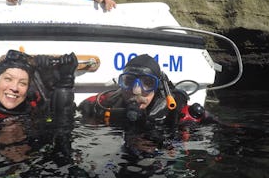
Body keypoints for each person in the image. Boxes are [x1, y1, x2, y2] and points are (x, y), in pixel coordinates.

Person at [78, 54, 215, 157]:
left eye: (148, 83)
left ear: (157, 87)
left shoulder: (174, 112)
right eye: (129, 81)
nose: (136, 91)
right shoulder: (105, 104)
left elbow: (215, 131)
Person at [0, 49, 78, 141]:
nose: (14, 88)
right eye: (8, 79)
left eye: (22, 83)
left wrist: (64, 82)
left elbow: (63, 120)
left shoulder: (33, 106)